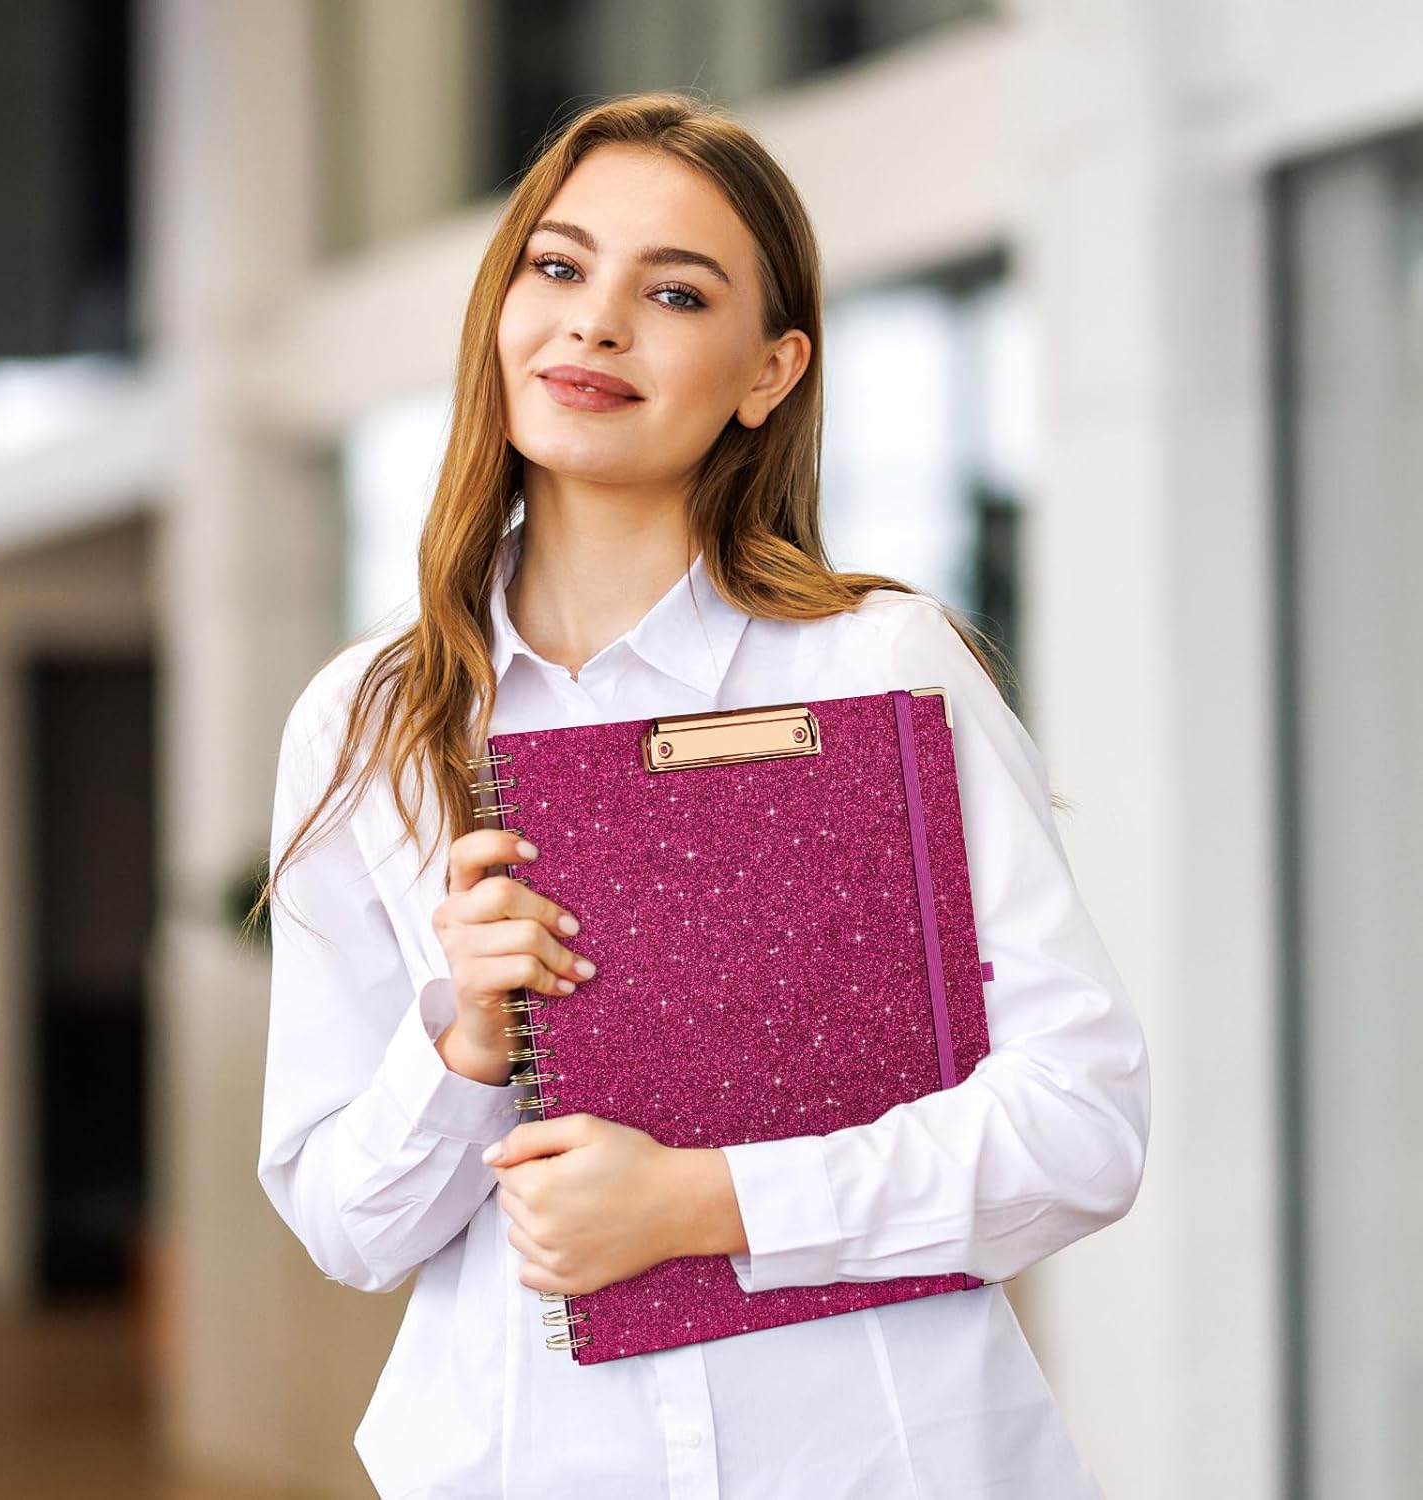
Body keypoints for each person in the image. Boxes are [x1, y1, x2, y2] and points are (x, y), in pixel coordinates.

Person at [255, 90, 1149, 1500]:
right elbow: (348, 1230)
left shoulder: (880, 667)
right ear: (500, 311)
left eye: (673, 292)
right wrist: (465, 1042)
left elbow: (1080, 1128)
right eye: (559, 268)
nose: (597, 323)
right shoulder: (369, 723)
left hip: (880, 1460)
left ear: (769, 371)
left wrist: (705, 1204)